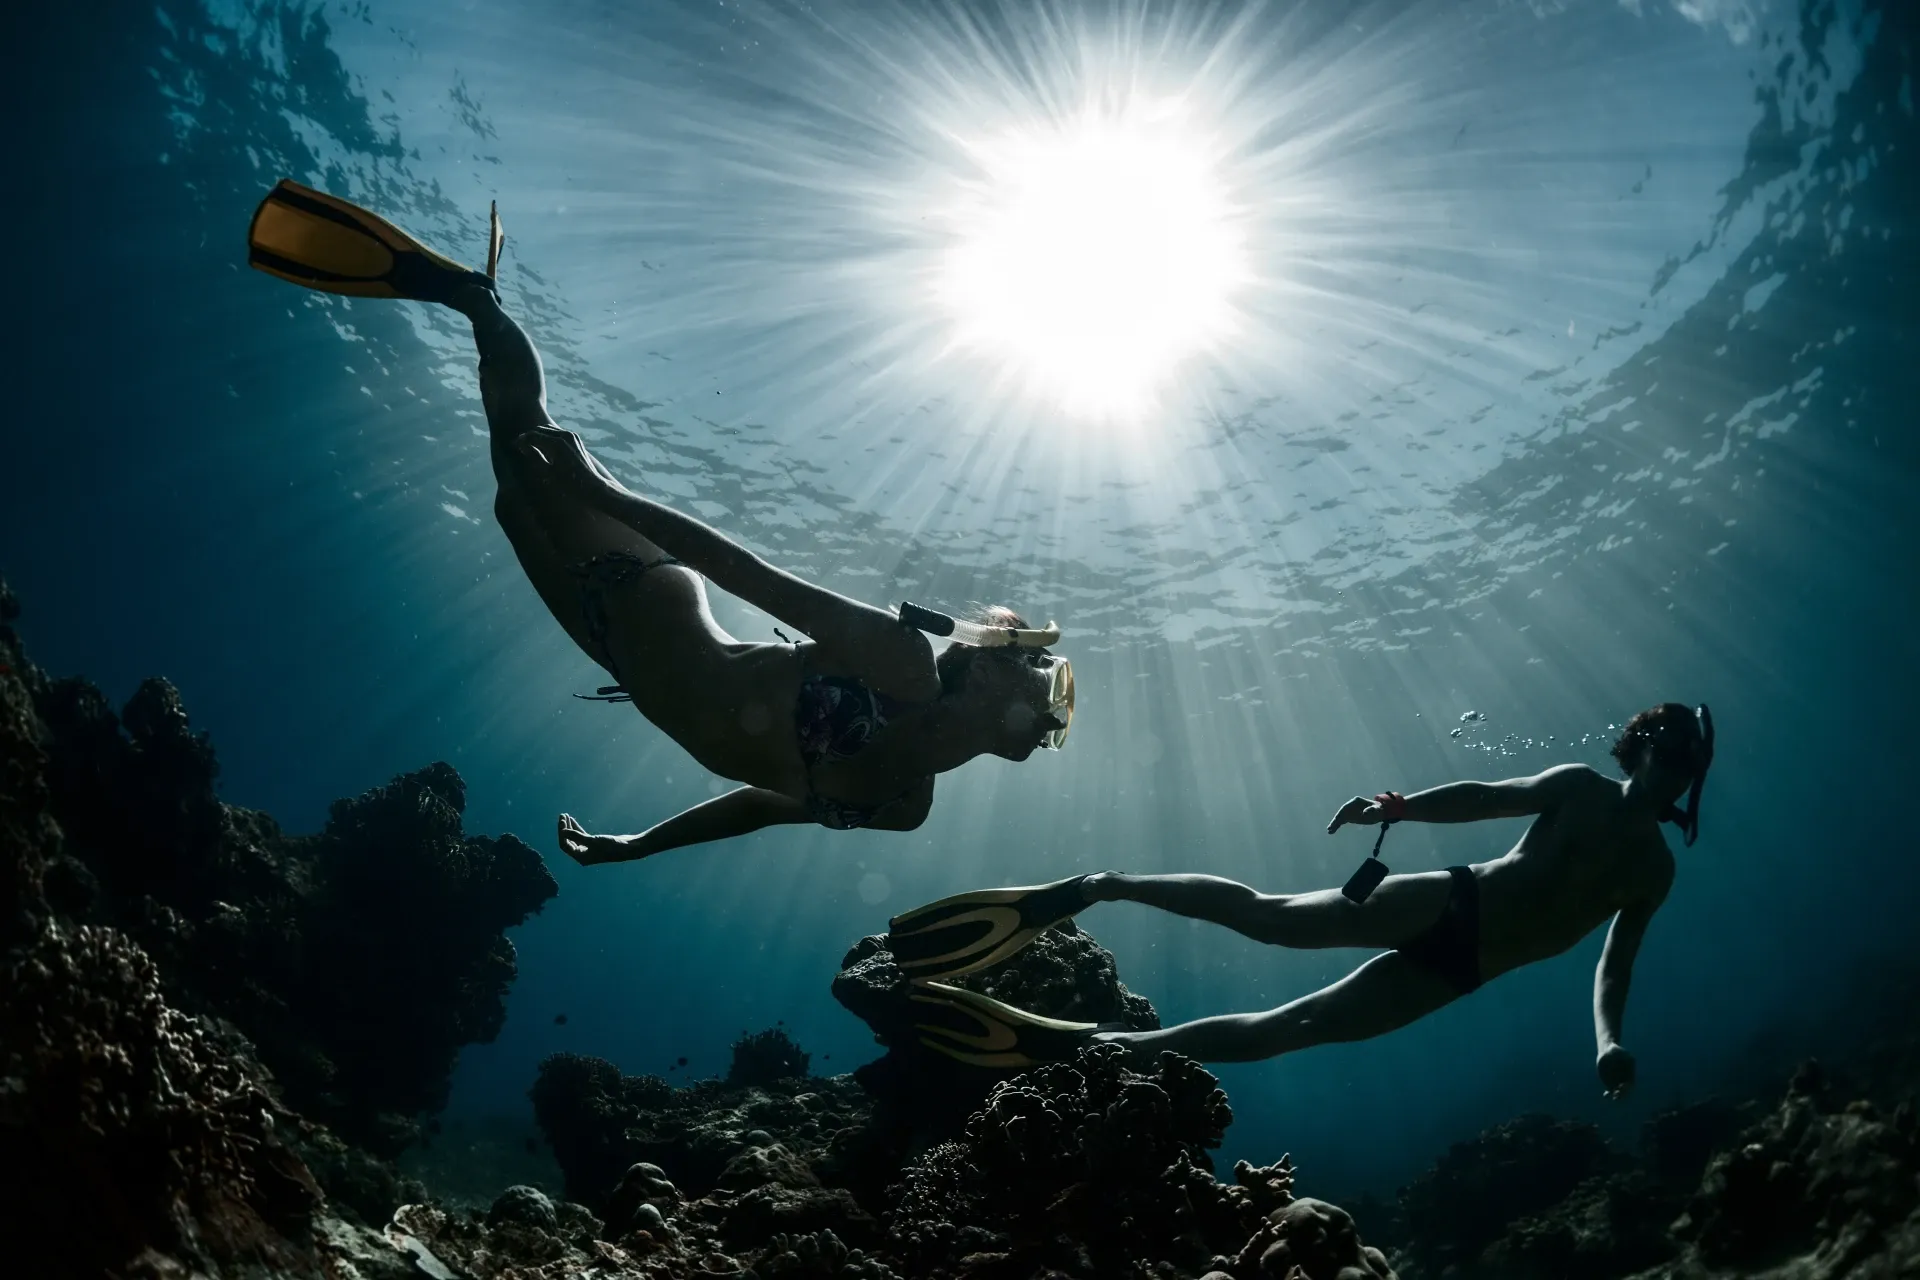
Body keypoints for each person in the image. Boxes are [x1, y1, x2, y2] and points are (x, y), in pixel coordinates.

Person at [246, 180, 1074, 862]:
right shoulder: (900, 663)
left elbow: (760, 807)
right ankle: (474, 300)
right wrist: (599, 495)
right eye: (1044, 685)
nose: (1051, 718)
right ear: (993, 670)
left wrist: (632, 846)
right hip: (642, 592)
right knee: (523, 445)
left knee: (506, 494)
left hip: (612, 649)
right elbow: (742, 572)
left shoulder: (906, 809)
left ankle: (480, 311)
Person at [882, 703, 1714, 1100]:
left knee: (1294, 1030)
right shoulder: (1579, 789)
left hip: (1467, 970)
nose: (1672, 768)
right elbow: (1487, 797)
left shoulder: (1654, 872)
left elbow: (1615, 965)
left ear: (1691, 776)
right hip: (1448, 906)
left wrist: (1609, 1042)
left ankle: (1105, 1052)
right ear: (1640, 746)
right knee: (1270, 919)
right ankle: (1101, 885)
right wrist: (1402, 808)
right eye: (1665, 750)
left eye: (1687, 762)